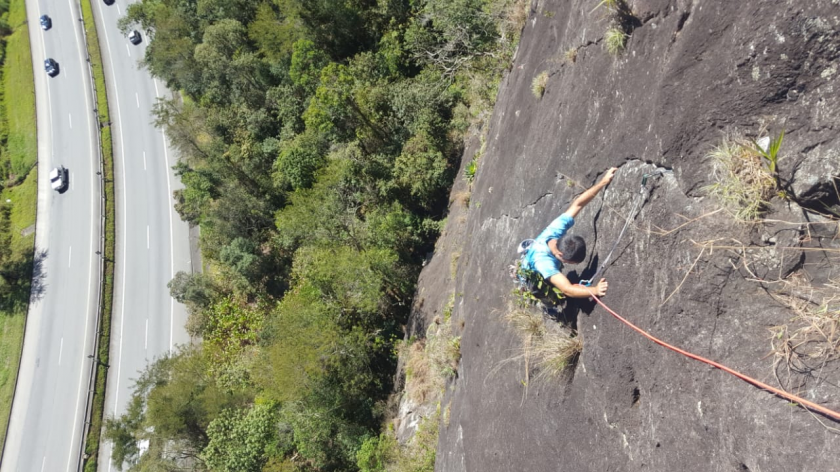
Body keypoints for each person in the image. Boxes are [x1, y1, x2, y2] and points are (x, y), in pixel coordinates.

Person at [519, 167, 617, 301]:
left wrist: (603, 182)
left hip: (540, 255)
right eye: (571, 262)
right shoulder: (544, 263)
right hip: (533, 273)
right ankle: (548, 305)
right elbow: (567, 289)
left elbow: (578, 204)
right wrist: (595, 290)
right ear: (560, 255)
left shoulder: (555, 231)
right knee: (542, 293)